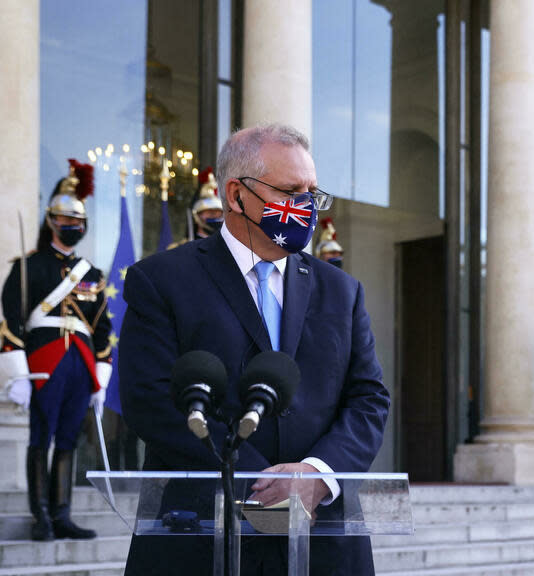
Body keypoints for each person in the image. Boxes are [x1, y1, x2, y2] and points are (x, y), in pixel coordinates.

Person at [119, 124, 390, 575]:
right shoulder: (161, 281)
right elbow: (151, 399)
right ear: (236, 195)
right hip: (200, 539)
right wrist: (259, 484)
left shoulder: (342, 292)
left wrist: (315, 476)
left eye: (311, 192)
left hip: (322, 543)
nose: (305, 205)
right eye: (289, 190)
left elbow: (369, 399)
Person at [0, 159, 112, 541]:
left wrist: (101, 374)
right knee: (41, 436)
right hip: (43, 359)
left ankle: (62, 512)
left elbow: (103, 329)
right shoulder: (28, 268)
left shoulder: (92, 275)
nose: (74, 227)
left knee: (68, 438)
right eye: (66, 220)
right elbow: (11, 323)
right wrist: (17, 374)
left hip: (80, 363)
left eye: (79, 222)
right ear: (51, 220)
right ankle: (41, 515)